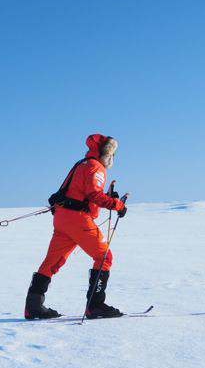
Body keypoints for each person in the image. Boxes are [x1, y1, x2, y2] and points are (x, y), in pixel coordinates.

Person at [24, 134, 128, 319]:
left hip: (63, 218)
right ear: (107, 153)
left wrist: (109, 197)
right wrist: (117, 204)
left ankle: (33, 306)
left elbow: (81, 192)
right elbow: (94, 195)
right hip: (77, 219)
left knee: (52, 262)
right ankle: (95, 306)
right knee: (104, 257)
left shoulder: (82, 164)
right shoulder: (96, 167)